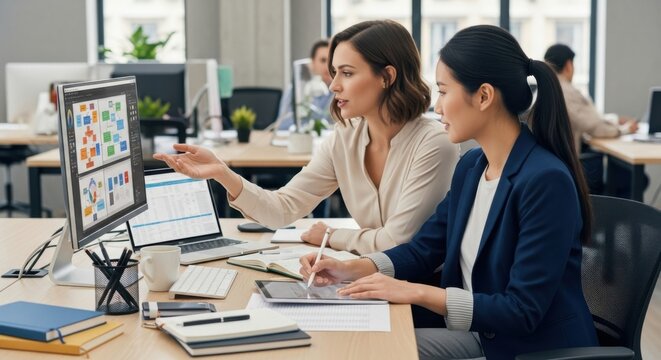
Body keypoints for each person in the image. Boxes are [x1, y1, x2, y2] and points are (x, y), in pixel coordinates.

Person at [300, 25, 598, 359]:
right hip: (477, 332)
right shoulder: (472, 167)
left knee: (373, 351)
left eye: (444, 92)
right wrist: (355, 268)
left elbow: (522, 310)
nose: (437, 107)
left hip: (524, 347)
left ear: (484, 96)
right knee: (350, 335)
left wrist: (416, 292)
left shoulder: (544, 180)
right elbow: (425, 249)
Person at [154, 20, 459, 255]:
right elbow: (282, 209)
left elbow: (397, 242)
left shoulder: (433, 143)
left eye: (348, 73)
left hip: (418, 291)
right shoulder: (345, 139)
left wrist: (330, 236)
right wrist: (222, 172)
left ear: (387, 77)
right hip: (373, 278)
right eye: (334, 73)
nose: (333, 86)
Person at [544, 43, 638, 153]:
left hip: (545, 160)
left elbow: (586, 120)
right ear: (569, 66)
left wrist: (615, 120)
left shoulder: (543, 89)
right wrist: (625, 130)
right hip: (566, 163)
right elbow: (597, 128)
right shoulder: (567, 92)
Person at [277, 39, 334, 130]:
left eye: (331, 61)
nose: (328, 66)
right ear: (312, 63)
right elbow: (282, 125)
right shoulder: (296, 90)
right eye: (323, 60)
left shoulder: (339, 92)